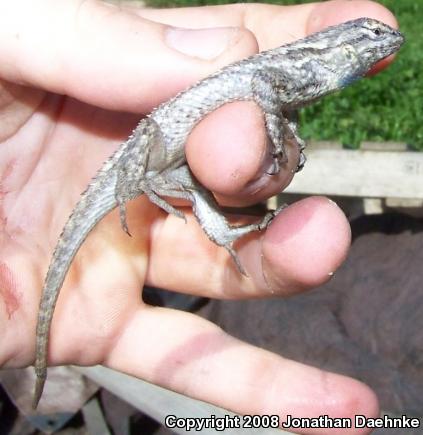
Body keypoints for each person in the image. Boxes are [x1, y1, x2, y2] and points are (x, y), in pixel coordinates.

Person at [0, 0, 398, 431]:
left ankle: (213, 223)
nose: (386, 43)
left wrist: (283, 127)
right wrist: (274, 126)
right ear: (345, 44)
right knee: (199, 167)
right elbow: (262, 82)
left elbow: (277, 96)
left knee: (216, 173)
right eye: (373, 36)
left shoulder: (316, 69)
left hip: (174, 153)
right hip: (152, 142)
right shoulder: (309, 62)